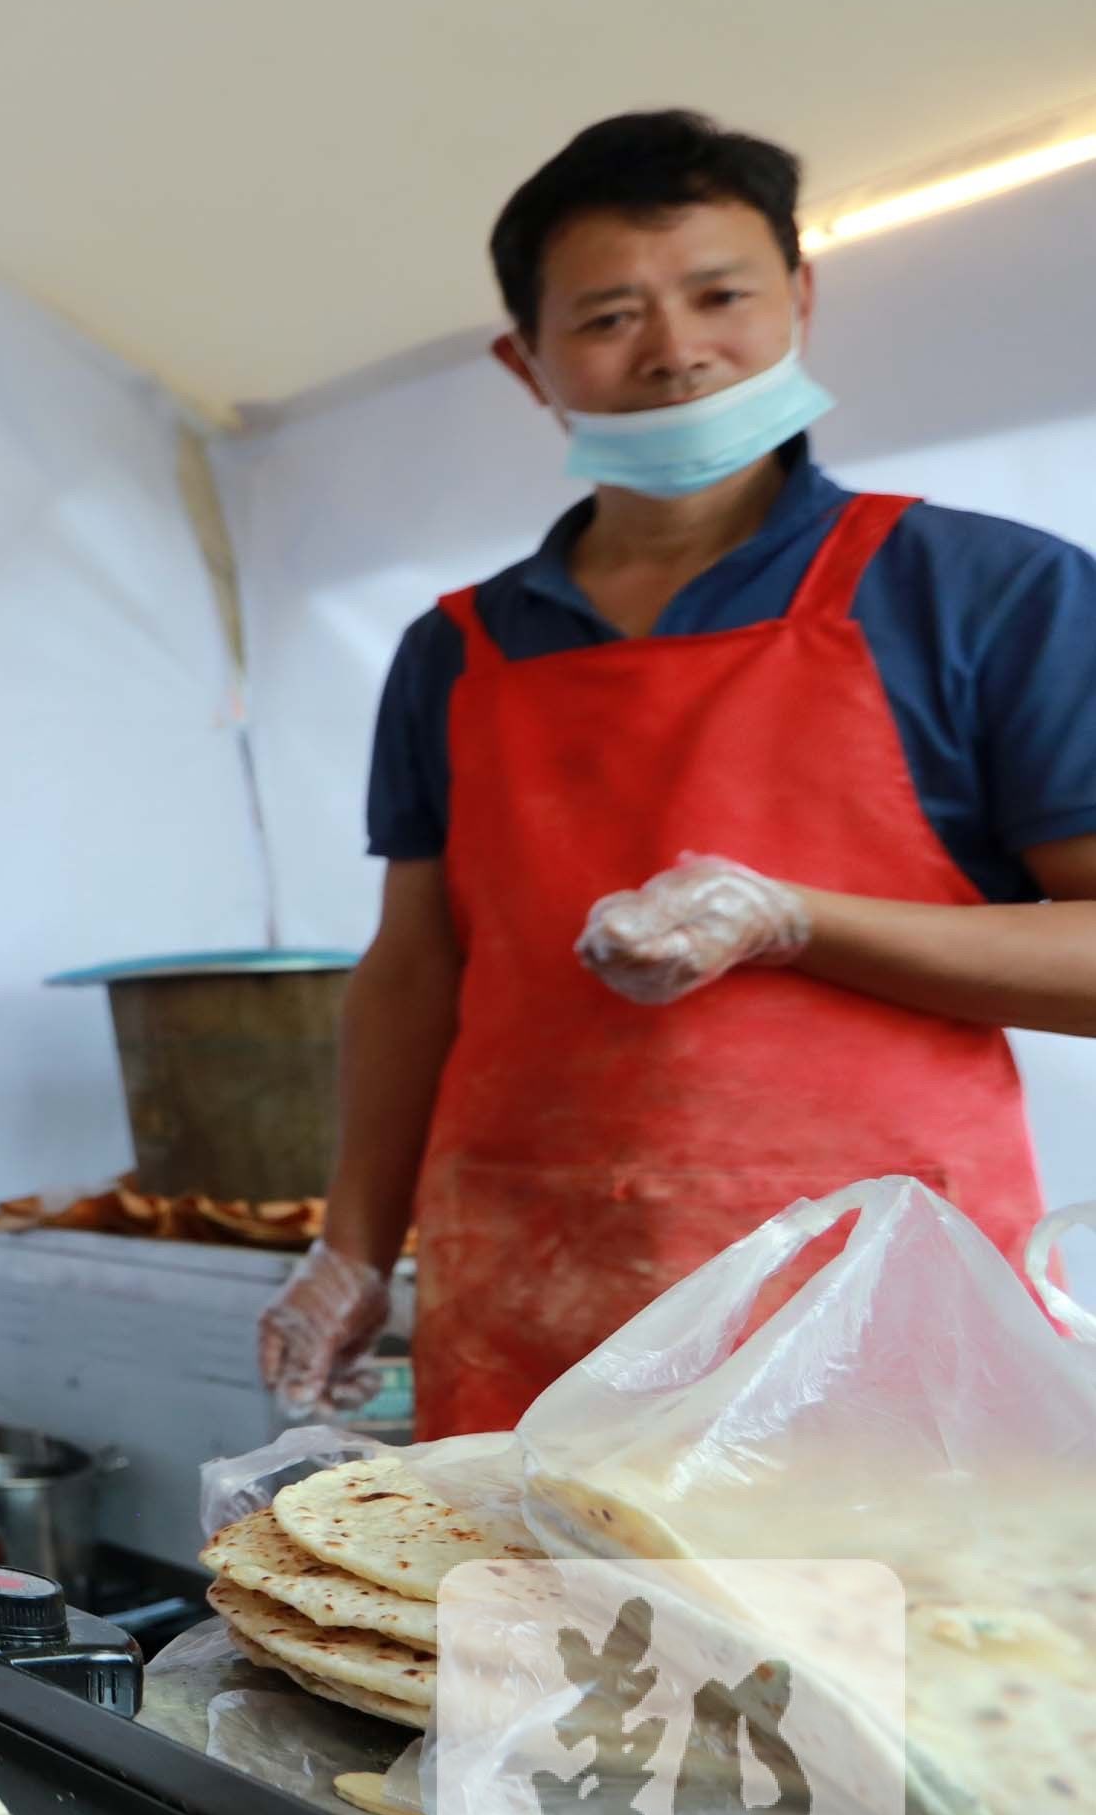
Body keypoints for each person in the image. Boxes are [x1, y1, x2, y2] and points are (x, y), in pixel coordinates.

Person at [263, 110, 1096, 1436]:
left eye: (721, 295)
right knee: (516, 1642)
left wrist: (796, 922)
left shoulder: (988, 593)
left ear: (801, 299)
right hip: (534, 1324)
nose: (676, 353)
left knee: (875, 1641)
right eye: (606, 317)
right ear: (524, 360)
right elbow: (414, 969)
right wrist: (352, 1246)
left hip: (871, 1328)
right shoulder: (454, 650)